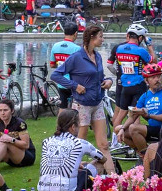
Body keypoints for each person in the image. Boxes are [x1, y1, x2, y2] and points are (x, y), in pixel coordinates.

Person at [51, 24, 116, 174]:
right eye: (101, 36)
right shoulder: (76, 57)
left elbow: (101, 77)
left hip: (97, 103)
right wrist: (74, 85)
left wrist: (108, 82)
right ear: (92, 38)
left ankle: (114, 179)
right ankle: (74, 177)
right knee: (79, 145)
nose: (103, 39)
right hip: (82, 106)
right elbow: (56, 75)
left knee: (104, 145)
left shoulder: (98, 56)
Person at [38, 109, 106, 191]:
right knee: (98, 165)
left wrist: (76, 165)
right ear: (73, 127)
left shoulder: (46, 141)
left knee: (80, 169)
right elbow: (102, 158)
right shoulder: (80, 143)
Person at [115, 63, 162, 154]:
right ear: (146, 81)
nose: (157, 80)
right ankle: (142, 153)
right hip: (153, 129)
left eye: (158, 76)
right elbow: (133, 115)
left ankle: (146, 156)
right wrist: (123, 128)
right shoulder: (145, 96)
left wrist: (148, 115)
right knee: (118, 129)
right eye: (153, 77)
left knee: (134, 128)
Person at [109, 24, 154, 127]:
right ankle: (133, 138)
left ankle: (115, 140)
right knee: (134, 115)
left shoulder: (119, 49)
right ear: (140, 38)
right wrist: (149, 45)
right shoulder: (140, 51)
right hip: (138, 85)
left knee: (120, 115)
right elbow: (153, 60)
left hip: (125, 86)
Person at [0, 98, 36, 167]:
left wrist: (12, 140)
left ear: (12, 111)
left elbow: (26, 145)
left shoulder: (19, 123)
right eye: (0, 110)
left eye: (5, 110)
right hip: (10, 158)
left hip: (26, 157)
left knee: (4, 140)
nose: (2, 113)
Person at [50, 21, 82, 114]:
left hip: (61, 81)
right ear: (76, 33)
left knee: (62, 106)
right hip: (74, 82)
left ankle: (59, 127)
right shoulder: (77, 49)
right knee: (76, 108)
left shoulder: (55, 46)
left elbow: (52, 64)